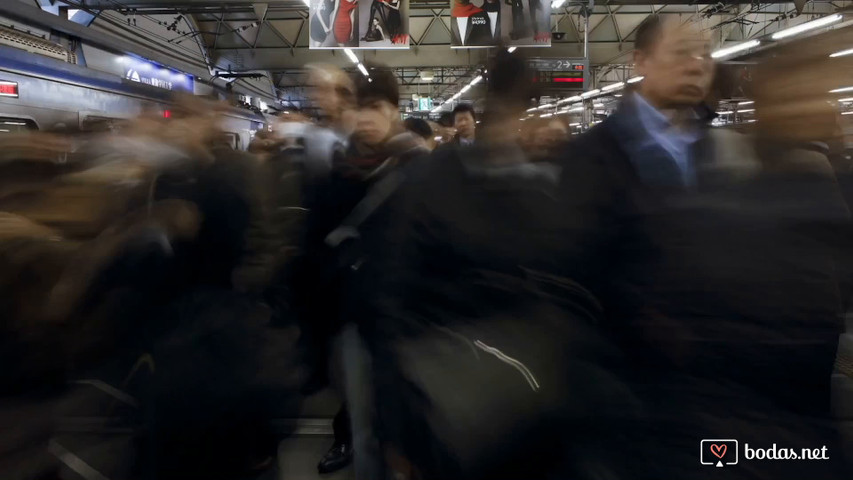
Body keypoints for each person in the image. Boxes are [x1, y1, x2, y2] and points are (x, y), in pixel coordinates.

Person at [558, 14, 850, 479]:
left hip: (741, 401)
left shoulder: (730, 153)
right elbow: (573, 282)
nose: (696, 65)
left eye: (704, 54)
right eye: (681, 53)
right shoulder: (591, 157)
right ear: (641, 62)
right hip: (635, 403)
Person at [294, 64, 427, 476]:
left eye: (376, 106)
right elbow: (314, 241)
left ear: (393, 110)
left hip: (412, 323)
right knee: (365, 427)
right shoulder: (336, 172)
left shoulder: (422, 170)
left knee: (411, 427)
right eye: (358, 106)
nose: (366, 117)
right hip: (354, 320)